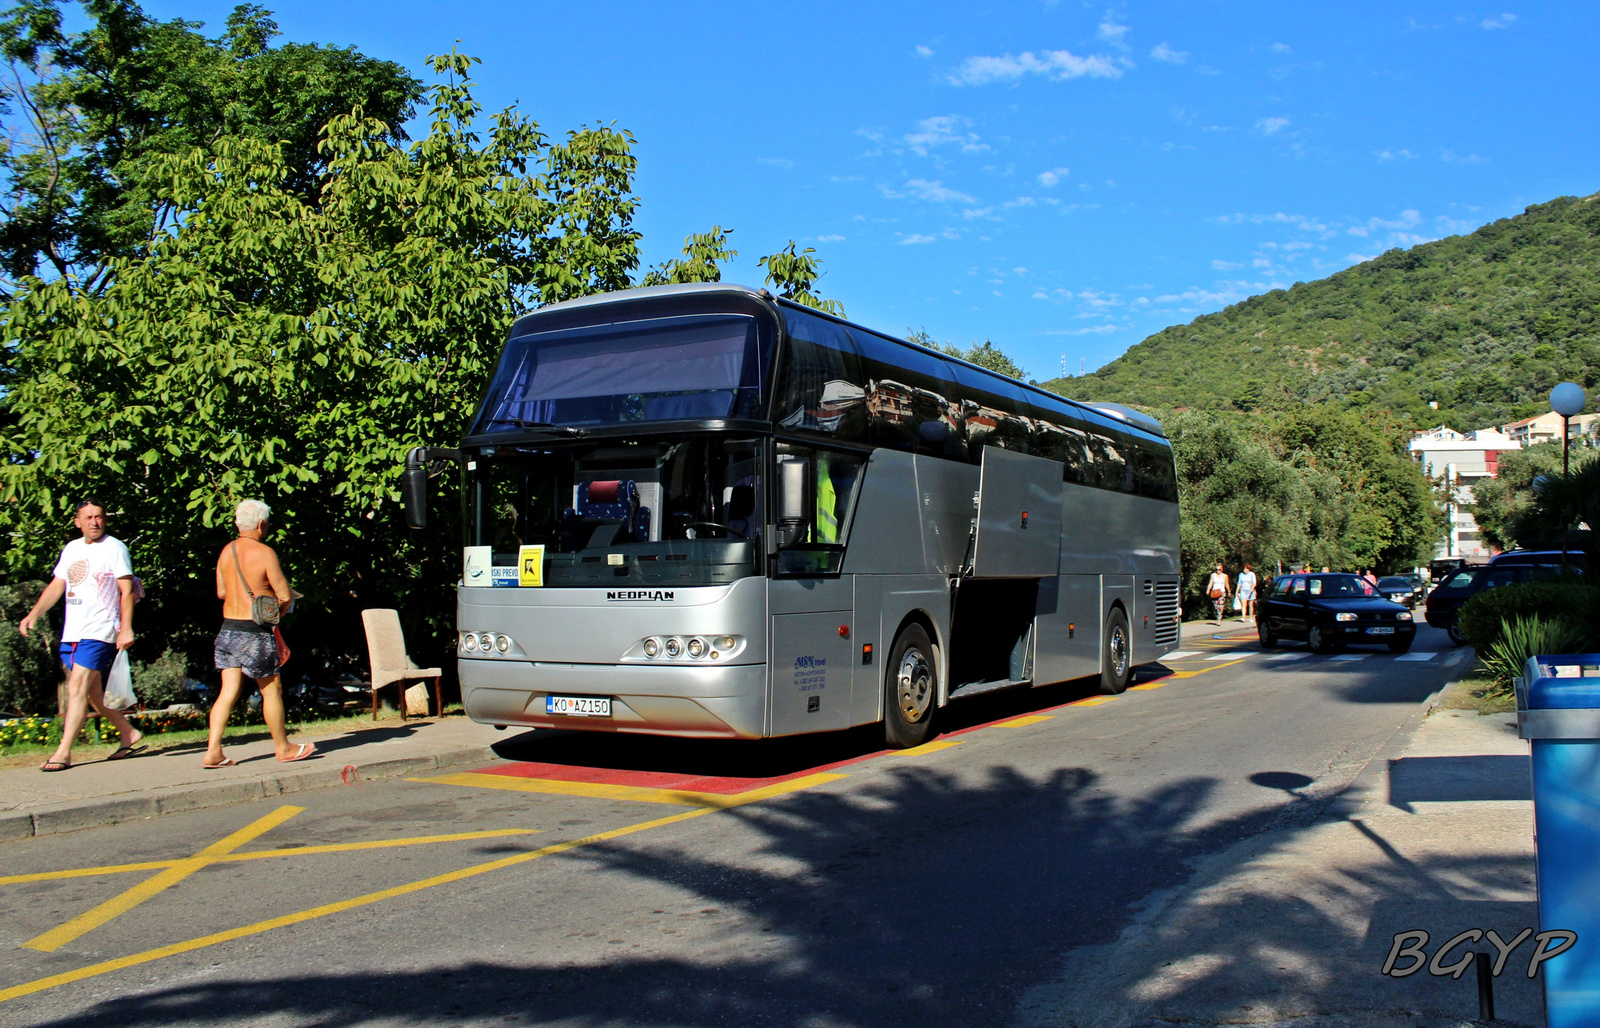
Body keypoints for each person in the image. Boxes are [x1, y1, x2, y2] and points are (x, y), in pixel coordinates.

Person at [18, 500, 145, 771]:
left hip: (100, 630)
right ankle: (128, 733)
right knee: (93, 694)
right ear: (78, 522)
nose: (94, 522)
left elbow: (127, 591)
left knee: (76, 688)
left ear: (105, 520)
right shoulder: (72, 548)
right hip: (73, 631)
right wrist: (33, 614)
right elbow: (57, 585)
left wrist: (125, 627)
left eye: (99, 517)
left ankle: (63, 753)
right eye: (88, 517)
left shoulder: (115, 548)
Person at [204, 499, 314, 767]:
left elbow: (221, 592)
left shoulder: (226, 551)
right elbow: (284, 594)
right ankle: (283, 747)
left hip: (228, 629)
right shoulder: (265, 553)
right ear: (261, 524)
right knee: (271, 691)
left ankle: (213, 751)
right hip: (254, 632)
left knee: (227, 692)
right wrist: (276, 610)